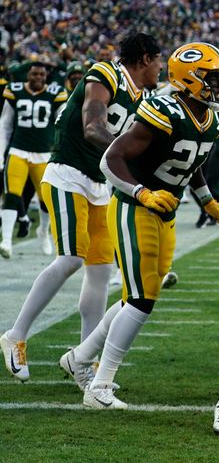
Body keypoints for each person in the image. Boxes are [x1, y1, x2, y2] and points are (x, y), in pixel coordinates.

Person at [60, 41, 219, 408]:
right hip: (133, 208)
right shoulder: (162, 108)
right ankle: (100, 386)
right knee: (141, 299)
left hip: (165, 212)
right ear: (191, 79)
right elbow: (111, 159)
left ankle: (79, 358)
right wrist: (141, 193)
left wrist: (208, 201)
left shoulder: (212, 117)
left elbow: (191, 158)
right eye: (213, 79)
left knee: (136, 297)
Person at [1, 33, 162, 383]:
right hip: (68, 174)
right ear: (145, 59)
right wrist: (128, 155)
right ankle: (16, 333)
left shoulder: (142, 95)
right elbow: (93, 126)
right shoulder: (106, 74)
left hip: (98, 184)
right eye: (159, 60)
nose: (161, 68)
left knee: (101, 273)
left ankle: (83, 362)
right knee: (71, 258)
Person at [0, 61, 67, 257]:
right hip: (18, 151)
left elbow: (61, 125)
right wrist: (1, 154)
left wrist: (59, 153)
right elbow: (4, 126)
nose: (38, 78)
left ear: (46, 77)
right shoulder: (15, 91)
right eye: (34, 74)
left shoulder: (55, 94)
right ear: (28, 75)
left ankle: (43, 233)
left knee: (46, 199)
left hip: (43, 154)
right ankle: (6, 241)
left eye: (41, 75)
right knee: (12, 195)